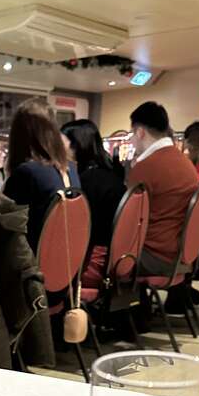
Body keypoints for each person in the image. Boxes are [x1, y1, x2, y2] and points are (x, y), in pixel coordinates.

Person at [128, 102, 199, 275]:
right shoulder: (185, 162)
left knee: (99, 253)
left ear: (140, 132)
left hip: (154, 255)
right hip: (183, 252)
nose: (131, 139)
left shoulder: (146, 167)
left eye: (132, 133)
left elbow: (129, 221)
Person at [3, 98, 80, 253]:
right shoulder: (71, 168)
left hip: (31, 265)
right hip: (65, 262)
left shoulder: (27, 172)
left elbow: (6, 228)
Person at [62, 119, 125, 287]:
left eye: (61, 141)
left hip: (93, 262)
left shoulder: (85, 182)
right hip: (118, 258)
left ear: (76, 144)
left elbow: (78, 230)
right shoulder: (113, 173)